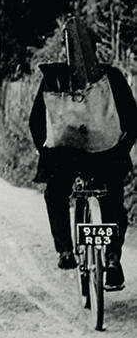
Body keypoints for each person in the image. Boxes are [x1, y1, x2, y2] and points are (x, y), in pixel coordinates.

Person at [29, 19, 137, 290]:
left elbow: (36, 122)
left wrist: (46, 152)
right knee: (112, 202)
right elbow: (132, 119)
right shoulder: (111, 77)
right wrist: (120, 148)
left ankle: (66, 250)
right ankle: (111, 258)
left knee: (56, 194)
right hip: (106, 157)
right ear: (95, 47)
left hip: (65, 159)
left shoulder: (55, 78)